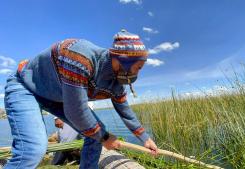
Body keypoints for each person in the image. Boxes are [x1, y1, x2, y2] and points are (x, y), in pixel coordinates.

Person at [4, 29, 158, 169]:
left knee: (95, 134)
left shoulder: (115, 82)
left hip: (57, 98)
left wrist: (145, 138)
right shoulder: (80, 56)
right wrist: (104, 137)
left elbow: (125, 110)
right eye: (138, 67)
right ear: (124, 60)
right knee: (32, 150)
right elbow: (76, 111)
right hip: (25, 87)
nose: (138, 73)